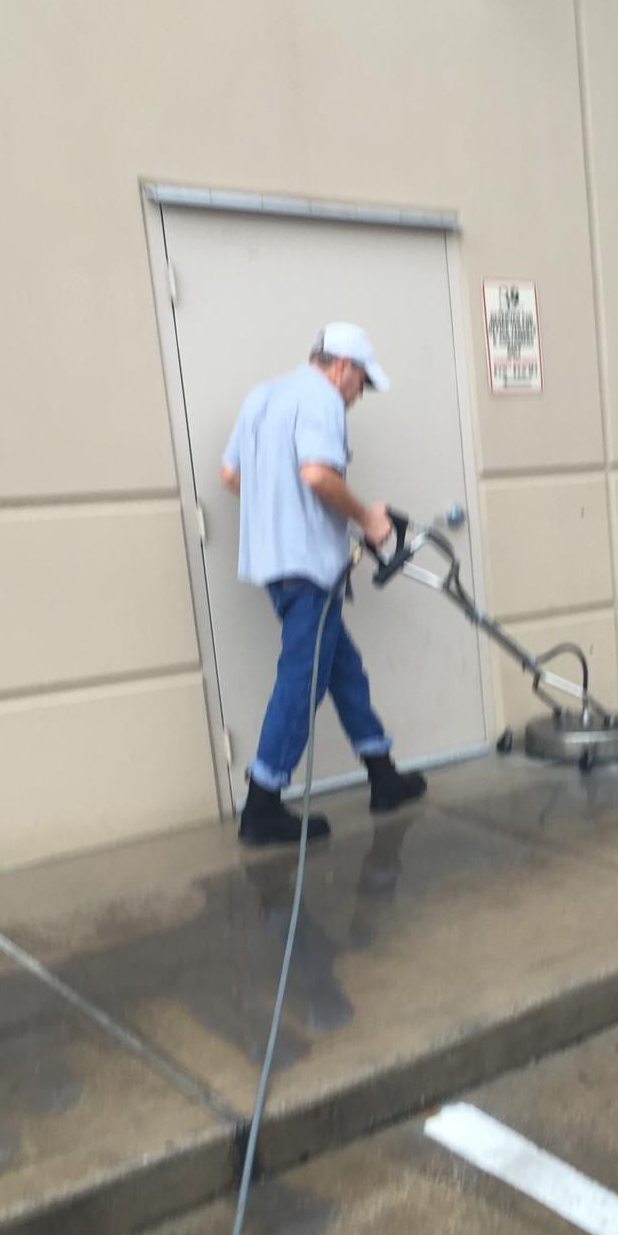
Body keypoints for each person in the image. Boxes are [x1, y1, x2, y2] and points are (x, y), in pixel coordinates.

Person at [220, 322, 427, 846]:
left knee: (341, 668)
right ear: (344, 367)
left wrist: (278, 513)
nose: (360, 394)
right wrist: (368, 519)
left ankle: (383, 774)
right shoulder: (323, 400)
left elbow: (232, 475)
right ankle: (262, 804)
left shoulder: (263, 396)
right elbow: (316, 475)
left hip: (277, 565)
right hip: (310, 567)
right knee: (303, 678)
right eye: (363, 382)